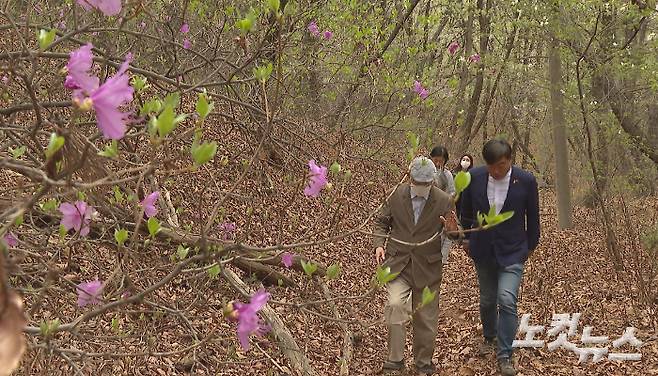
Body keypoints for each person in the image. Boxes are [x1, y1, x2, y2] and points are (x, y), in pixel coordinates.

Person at [373, 156, 460, 375]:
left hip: (428, 266)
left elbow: (453, 234)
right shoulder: (396, 194)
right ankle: (395, 360)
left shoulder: (444, 200)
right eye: (417, 183)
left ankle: (423, 363)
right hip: (398, 261)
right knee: (394, 305)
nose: (421, 188)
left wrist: (452, 230)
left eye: (426, 184)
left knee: (425, 317)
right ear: (409, 177)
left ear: (432, 181)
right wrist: (378, 245)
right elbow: (382, 222)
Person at [460, 139, 540, 376]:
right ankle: (489, 336)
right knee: (487, 300)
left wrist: (530, 246)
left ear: (510, 161)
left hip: (513, 249)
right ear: (486, 164)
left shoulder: (525, 180)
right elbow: (465, 209)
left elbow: (533, 217)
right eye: (493, 166)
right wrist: (465, 238)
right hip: (483, 249)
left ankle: (505, 353)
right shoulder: (474, 177)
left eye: (502, 165)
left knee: (506, 299)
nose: (497, 171)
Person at [429, 146, 456, 264]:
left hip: (443, 208)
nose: (438, 163)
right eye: (436, 160)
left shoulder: (448, 174)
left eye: (441, 160)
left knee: (445, 235)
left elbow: (452, 192)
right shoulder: (425, 171)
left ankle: (441, 260)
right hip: (427, 209)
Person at [452, 153, 475, 222]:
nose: (465, 162)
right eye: (464, 159)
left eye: (467, 160)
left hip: (466, 200)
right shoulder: (454, 173)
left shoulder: (472, 175)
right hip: (455, 198)